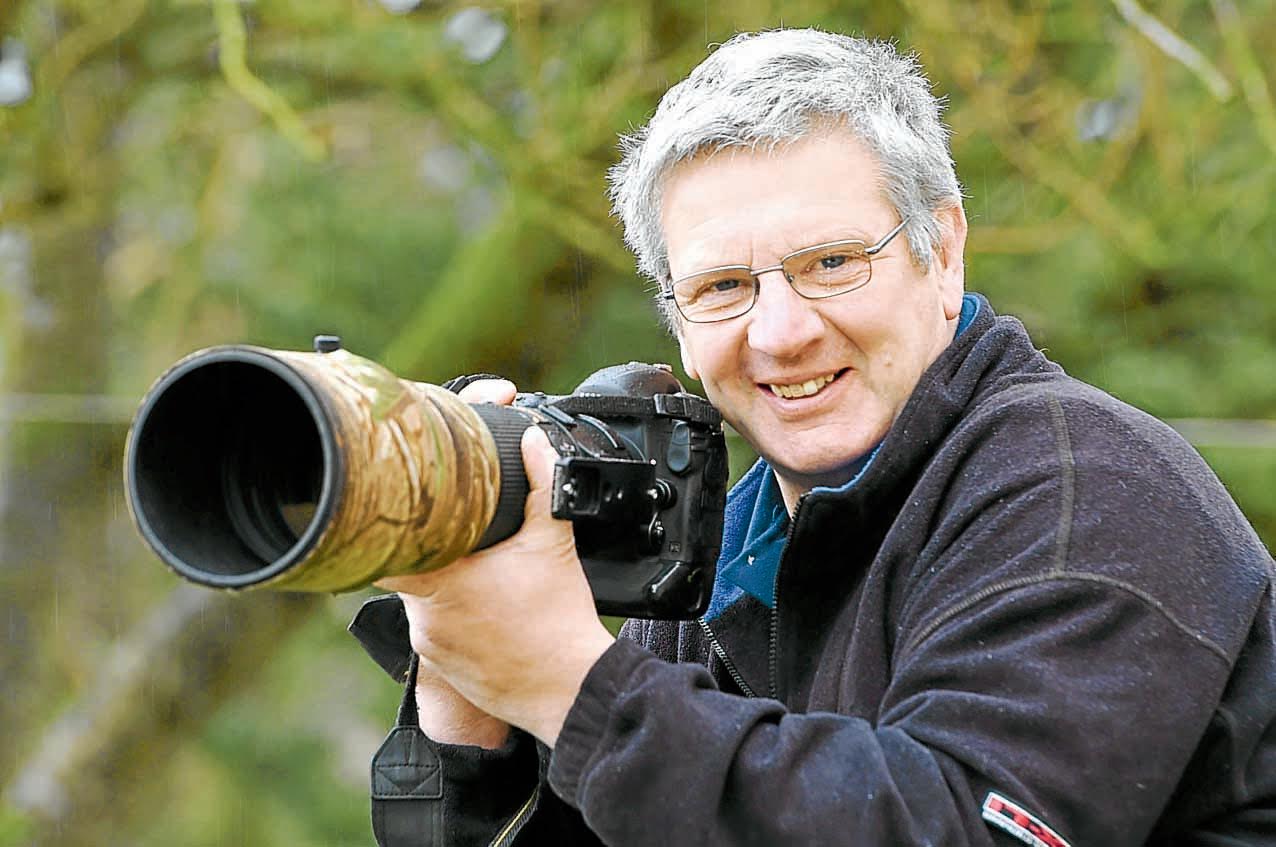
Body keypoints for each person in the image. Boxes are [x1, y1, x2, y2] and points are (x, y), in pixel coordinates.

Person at [350, 28, 1276, 847]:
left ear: (941, 251)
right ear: (675, 317)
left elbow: (950, 819)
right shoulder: (716, 558)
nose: (781, 331)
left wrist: (567, 681)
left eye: (830, 263)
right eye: (721, 287)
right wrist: (467, 678)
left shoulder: (1085, 489)